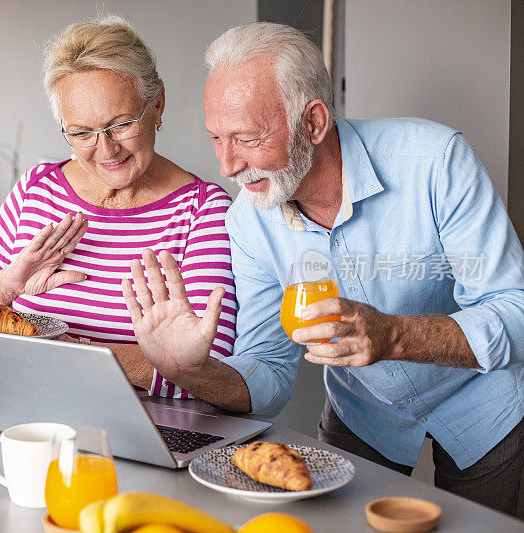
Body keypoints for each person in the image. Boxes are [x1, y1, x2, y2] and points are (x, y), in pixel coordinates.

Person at [124, 22, 524, 515]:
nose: (227, 166)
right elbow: (268, 372)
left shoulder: (436, 162)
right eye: (216, 139)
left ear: (313, 122)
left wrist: (394, 336)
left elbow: (514, 311)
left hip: (481, 406)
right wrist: (191, 369)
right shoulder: (248, 222)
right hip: (364, 415)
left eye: (246, 139)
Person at [0, 16, 237, 423]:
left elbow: (209, 367)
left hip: (106, 432)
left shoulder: (202, 211)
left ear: (157, 104)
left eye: (121, 124)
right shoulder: (37, 187)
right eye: (80, 133)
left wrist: (78, 352)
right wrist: (5, 287)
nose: (104, 149)